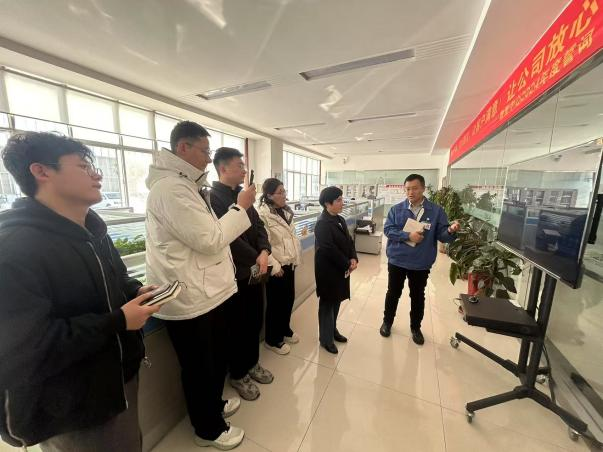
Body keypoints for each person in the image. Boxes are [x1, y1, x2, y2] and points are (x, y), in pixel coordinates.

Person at [0, 132, 159, 451]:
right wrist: (117, 321)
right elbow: (28, 349)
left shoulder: (93, 230)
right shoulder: (14, 247)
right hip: (72, 405)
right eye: (83, 166)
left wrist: (136, 290)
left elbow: (117, 278)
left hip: (118, 376)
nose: (97, 175)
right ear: (41, 171)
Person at [145, 122, 256, 450]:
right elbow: (210, 239)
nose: (209, 158)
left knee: (214, 359)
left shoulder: (186, 185)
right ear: (183, 148)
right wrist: (241, 206)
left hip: (207, 293)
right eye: (205, 151)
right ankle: (208, 429)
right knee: (200, 367)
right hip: (190, 297)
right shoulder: (171, 189)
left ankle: (213, 406)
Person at [209, 147, 276, 401]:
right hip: (235, 276)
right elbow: (228, 239)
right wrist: (255, 256)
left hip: (256, 271)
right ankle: (238, 374)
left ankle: (252, 363)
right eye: (239, 165)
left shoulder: (243, 195)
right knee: (237, 327)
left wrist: (264, 251)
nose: (244, 170)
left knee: (255, 321)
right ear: (223, 168)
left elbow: (259, 226)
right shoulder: (213, 198)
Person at [379, 174, 460, 345]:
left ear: (423, 188)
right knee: (393, 293)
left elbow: (442, 235)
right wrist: (408, 236)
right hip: (397, 260)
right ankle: (387, 322)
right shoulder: (396, 210)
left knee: (417, 296)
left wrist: (450, 231)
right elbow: (388, 230)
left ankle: (415, 328)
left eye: (415, 188)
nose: (411, 192)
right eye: (407, 189)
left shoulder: (436, 211)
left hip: (420, 263)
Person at [258, 178, 303, 355]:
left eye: (284, 191)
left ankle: (285, 329)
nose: (284, 195)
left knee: (288, 299)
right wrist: (275, 266)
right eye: (280, 192)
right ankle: (272, 339)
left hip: (289, 263)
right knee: (276, 304)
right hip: (277, 267)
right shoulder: (263, 214)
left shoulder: (285, 211)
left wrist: (295, 258)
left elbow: (290, 238)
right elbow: (263, 244)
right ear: (269, 195)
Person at [314, 186, 358, 354]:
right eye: (338, 200)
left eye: (342, 199)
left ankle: (332, 330)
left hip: (340, 269)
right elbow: (329, 249)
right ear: (327, 203)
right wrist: (347, 263)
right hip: (328, 271)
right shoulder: (322, 223)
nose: (342, 203)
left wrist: (353, 258)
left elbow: (349, 241)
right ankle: (325, 339)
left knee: (336, 300)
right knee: (327, 304)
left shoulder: (339, 219)